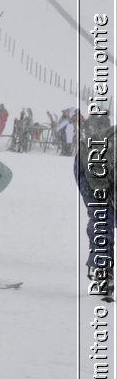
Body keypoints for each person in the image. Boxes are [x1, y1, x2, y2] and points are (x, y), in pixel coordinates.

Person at [76, 112, 114, 301]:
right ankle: (101, 271)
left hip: (107, 174)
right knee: (103, 218)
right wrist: (104, 190)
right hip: (87, 166)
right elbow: (96, 173)